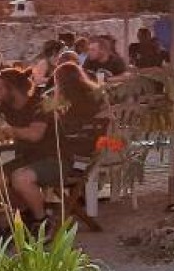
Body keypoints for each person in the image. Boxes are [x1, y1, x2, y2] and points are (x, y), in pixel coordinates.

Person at [8, 63, 106, 227]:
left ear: (58, 81)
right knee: (15, 173)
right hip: (88, 158)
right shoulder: (95, 96)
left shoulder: (59, 104)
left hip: (70, 161)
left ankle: (38, 217)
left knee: (18, 175)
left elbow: (45, 136)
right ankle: (36, 214)